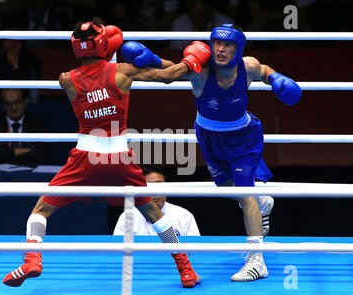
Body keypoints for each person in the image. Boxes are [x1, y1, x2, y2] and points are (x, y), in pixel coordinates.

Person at [3, 17, 212, 289]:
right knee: (153, 213)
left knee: (41, 209)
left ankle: (32, 258)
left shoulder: (66, 80)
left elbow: (93, 76)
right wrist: (188, 60)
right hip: (119, 158)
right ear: (103, 44)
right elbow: (171, 77)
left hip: (85, 157)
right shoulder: (123, 72)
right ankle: (185, 270)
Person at [123, 23, 301, 281]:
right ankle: (262, 203)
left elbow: (264, 70)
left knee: (244, 192)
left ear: (238, 48)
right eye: (217, 42)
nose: (220, 48)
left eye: (228, 44)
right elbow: (171, 69)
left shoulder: (248, 66)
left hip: (243, 136)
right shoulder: (202, 71)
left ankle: (256, 259)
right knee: (228, 188)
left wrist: (276, 79)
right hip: (209, 136)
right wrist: (150, 58)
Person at [114, 165, 201, 236]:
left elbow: (196, 252)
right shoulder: (128, 217)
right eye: (150, 186)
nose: (156, 191)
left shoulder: (184, 216)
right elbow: (117, 252)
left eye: (159, 185)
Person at [0, 88, 49, 166]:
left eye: (17, 102)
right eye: (8, 103)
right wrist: (21, 151)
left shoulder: (38, 123)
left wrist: (6, 153)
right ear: (2, 105)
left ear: (25, 102)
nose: (14, 107)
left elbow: (42, 155)